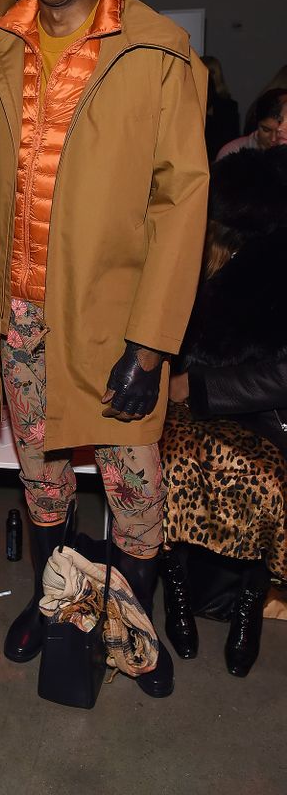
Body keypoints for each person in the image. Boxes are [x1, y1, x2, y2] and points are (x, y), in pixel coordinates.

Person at [0, 0, 209, 699]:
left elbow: (182, 201)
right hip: (22, 317)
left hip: (116, 324)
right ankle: (55, 604)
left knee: (135, 494)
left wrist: (152, 344)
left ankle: (127, 627)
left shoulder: (156, 48)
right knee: (43, 483)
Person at [162, 144, 287, 677]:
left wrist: (196, 386)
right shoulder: (187, 254)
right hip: (182, 407)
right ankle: (176, 593)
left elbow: (280, 376)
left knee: (267, 482)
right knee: (168, 466)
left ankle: (248, 608)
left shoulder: (272, 271)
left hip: (259, 414)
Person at [216, 87, 285, 160]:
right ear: (256, 123)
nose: (273, 139)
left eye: (281, 131)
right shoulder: (232, 153)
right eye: (266, 130)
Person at [201, 55, 239, 161]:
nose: (208, 77)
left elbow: (231, 140)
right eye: (204, 71)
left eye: (211, 72)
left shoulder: (229, 107)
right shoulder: (190, 105)